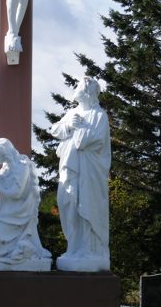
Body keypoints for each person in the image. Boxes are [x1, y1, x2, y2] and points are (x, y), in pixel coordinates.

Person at [50, 76, 111, 271]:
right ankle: (74, 247)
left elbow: (85, 141)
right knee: (68, 204)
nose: (75, 89)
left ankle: (90, 251)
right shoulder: (72, 113)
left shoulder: (99, 116)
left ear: (88, 93)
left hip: (89, 172)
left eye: (79, 87)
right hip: (69, 168)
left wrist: (78, 128)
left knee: (86, 207)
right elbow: (55, 130)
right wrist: (68, 125)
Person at [0, 138, 51, 269]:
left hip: (17, 212)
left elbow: (16, 194)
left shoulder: (21, 166)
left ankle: (22, 252)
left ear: (4, 152)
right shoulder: (6, 167)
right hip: (4, 210)